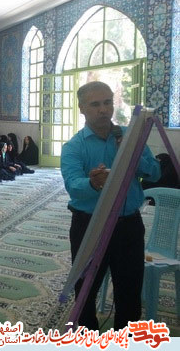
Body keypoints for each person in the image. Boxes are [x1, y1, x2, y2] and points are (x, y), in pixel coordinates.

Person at [60, 81, 161, 331]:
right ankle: (88, 340)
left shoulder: (130, 137)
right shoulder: (74, 146)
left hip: (128, 226)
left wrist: (134, 157)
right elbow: (73, 185)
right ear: (82, 108)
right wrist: (92, 183)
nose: (103, 109)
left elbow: (155, 172)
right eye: (95, 104)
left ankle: (125, 341)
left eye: (107, 102)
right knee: (86, 290)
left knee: (129, 292)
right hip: (89, 226)